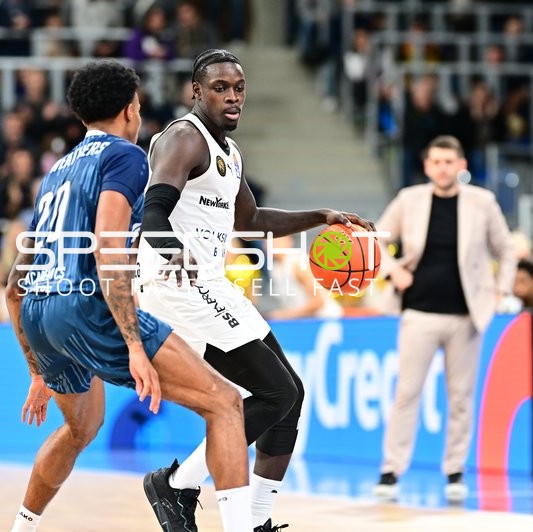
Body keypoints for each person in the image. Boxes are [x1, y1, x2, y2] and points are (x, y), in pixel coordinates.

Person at [5, 59, 252, 532]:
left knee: (81, 427)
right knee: (225, 402)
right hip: (87, 306)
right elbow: (108, 246)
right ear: (128, 110)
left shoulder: (56, 172)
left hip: (40, 311)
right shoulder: (126, 156)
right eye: (137, 106)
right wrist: (135, 345)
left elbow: (14, 287)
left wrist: (37, 368)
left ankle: (22, 528)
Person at [135, 49, 373, 532]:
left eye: (239, 88)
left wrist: (321, 216)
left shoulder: (230, 152)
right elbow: (153, 211)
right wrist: (173, 250)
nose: (232, 97)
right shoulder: (184, 137)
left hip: (209, 282)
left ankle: (255, 518)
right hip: (174, 283)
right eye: (220, 88)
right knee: (275, 391)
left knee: (291, 395)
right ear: (196, 91)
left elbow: (252, 220)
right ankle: (177, 483)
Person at [372, 135, 516, 502]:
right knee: (406, 394)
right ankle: (391, 471)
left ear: (461, 165)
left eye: (449, 162)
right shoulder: (409, 199)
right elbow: (375, 237)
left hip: (466, 316)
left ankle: (455, 470)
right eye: (436, 162)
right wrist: (393, 270)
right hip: (418, 312)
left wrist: (501, 291)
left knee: (461, 398)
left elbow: (506, 250)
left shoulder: (482, 202)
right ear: (426, 166)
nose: (442, 168)